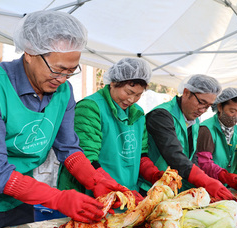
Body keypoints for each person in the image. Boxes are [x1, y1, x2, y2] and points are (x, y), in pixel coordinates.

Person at [0, 10, 127, 228]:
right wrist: (57, 198)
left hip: (22, 198)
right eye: (57, 70)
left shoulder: (63, 92)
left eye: (70, 72)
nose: (61, 80)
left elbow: (68, 148)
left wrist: (94, 179)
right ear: (30, 52)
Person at [57, 57, 164, 204]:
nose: (132, 99)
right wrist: (111, 187)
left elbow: (141, 154)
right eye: (128, 92)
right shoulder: (91, 107)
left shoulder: (138, 114)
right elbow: (87, 158)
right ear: (113, 82)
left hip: (125, 196)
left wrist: (153, 174)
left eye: (138, 95)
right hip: (90, 194)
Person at [143, 74, 236, 201]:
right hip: (152, 187)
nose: (203, 110)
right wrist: (205, 181)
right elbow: (174, 155)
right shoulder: (161, 116)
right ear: (186, 92)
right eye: (201, 102)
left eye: (208, 106)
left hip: (173, 189)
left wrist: (199, 186)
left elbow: (192, 156)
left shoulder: (195, 121)